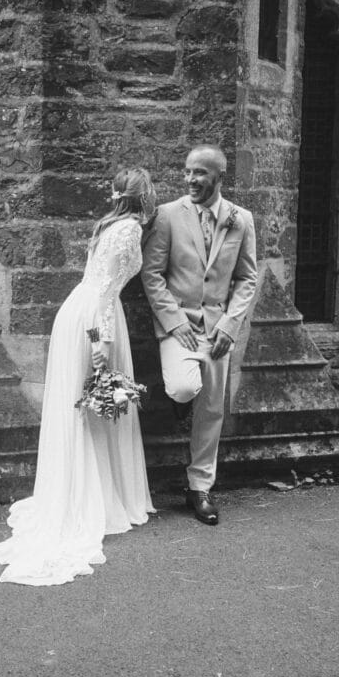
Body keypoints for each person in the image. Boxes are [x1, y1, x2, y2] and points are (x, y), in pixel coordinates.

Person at [0, 167, 157, 585]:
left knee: (87, 406)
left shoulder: (111, 225)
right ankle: (88, 499)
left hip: (83, 310)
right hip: (94, 318)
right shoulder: (128, 230)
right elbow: (104, 289)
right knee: (93, 402)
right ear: (143, 196)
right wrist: (101, 343)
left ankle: (90, 490)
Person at [141, 145, 257, 526]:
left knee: (211, 411)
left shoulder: (241, 220)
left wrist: (229, 325)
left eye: (200, 173)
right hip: (180, 326)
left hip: (218, 330)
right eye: (188, 171)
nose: (191, 179)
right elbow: (152, 274)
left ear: (219, 177)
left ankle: (199, 487)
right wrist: (173, 321)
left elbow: (247, 278)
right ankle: (180, 401)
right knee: (183, 389)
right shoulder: (168, 216)